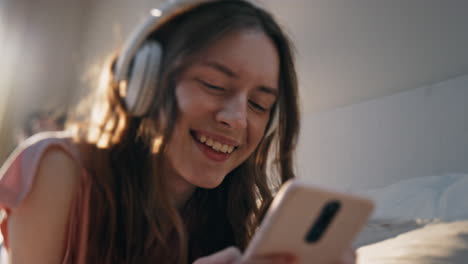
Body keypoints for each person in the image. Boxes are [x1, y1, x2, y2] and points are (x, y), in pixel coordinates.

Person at [0, 0, 355, 263]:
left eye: (259, 105)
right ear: (146, 83)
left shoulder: (234, 212)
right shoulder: (58, 169)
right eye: (214, 84)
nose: (237, 120)